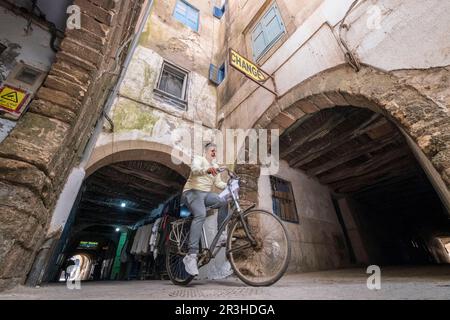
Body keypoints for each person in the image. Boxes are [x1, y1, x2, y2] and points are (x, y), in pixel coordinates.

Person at [181, 142, 229, 276]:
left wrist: (229, 185)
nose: (214, 153)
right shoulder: (199, 159)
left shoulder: (215, 166)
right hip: (192, 192)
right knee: (200, 214)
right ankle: (191, 256)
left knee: (223, 202)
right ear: (206, 151)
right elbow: (195, 170)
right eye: (212, 150)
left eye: (215, 151)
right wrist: (206, 170)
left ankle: (221, 236)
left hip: (205, 194)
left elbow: (218, 183)